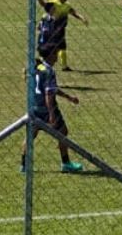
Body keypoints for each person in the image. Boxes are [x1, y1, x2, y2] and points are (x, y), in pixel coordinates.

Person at [30, 44, 85, 173]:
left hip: (35, 106)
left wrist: (68, 97)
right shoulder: (49, 71)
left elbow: (51, 88)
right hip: (47, 108)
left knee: (31, 135)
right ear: (50, 55)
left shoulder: (39, 67)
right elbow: (49, 94)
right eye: (55, 54)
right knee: (63, 132)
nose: (56, 57)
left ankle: (24, 165)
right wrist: (51, 114)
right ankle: (66, 163)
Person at [41, 0, 88, 71]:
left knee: (62, 47)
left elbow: (74, 13)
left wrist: (82, 18)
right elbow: (44, 5)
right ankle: (47, 63)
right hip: (53, 29)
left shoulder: (67, 5)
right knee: (54, 47)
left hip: (61, 29)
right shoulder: (53, 2)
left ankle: (64, 66)